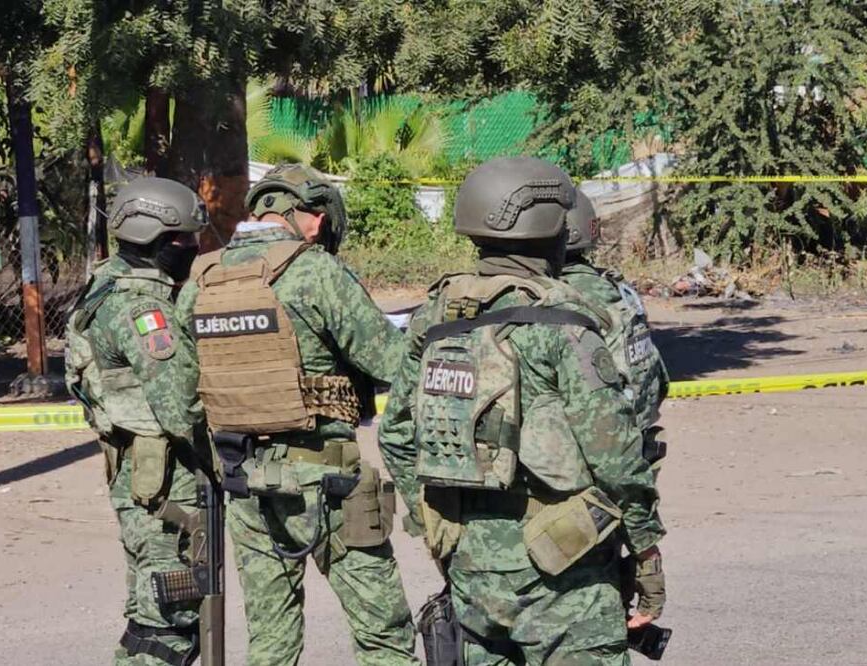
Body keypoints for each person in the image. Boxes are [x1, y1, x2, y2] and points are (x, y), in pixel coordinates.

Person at [378, 156, 667, 665]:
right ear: (550, 230)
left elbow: (397, 435)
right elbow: (616, 456)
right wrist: (645, 552)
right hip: (565, 572)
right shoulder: (563, 324)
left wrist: (441, 533)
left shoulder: (437, 315)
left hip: (471, 571)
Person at [175, 164, 417, 666]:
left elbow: (182, 395)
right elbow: (394, 362)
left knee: (271, 640)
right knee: (383, 633)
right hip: (329, 481)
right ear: (311, 217)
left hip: (244, 481)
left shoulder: (202, 279)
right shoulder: (316, 272)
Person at [64, 177, 209, 666]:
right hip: (166, 485)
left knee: (150, 610)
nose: (193, 248)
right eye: (185, 239)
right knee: (168, 620)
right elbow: (181, 409)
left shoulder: (107, 284)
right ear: (158, 239)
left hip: (138, 477)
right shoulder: (144, 309)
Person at [560, 189, 670, 465]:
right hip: (634, 444)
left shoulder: (561, 297)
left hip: (592, 457)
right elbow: (659, 381)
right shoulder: (615, 290)